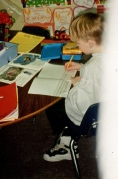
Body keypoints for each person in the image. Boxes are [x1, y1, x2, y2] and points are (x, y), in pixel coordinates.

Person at [43, 12, 105, 162]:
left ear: (90, 43)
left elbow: (83, 103)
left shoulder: (93, 68)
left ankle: (68, 140)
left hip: (94, 119)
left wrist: (77, 83)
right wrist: (83, 67)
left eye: (78, 43)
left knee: (53, 104)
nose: (77, 46)